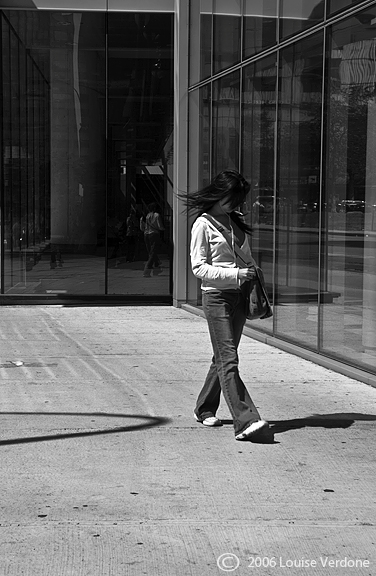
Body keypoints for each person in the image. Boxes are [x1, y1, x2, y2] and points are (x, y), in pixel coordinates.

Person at [187, 169, 269, 441]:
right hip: (217, 297)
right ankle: (246, 420)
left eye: (239, 200)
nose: (236, 205)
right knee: (229, 358)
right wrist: (234, 274)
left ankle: (204, 407)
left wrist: (248, 275)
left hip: (241, 295)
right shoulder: (203, 224)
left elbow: (244, 256)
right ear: (219, 193)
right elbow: (198, 268)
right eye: (232, 198)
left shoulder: (237, 220)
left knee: (222, 358)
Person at [140, 202, 164, 277]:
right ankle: (147, 269)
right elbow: (160, 226)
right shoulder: (156, 215)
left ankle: (156, 263)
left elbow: (141, 228)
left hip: (146, 234)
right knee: (153, 251)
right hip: (154, 234)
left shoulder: (144, 216)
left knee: (150, 251)